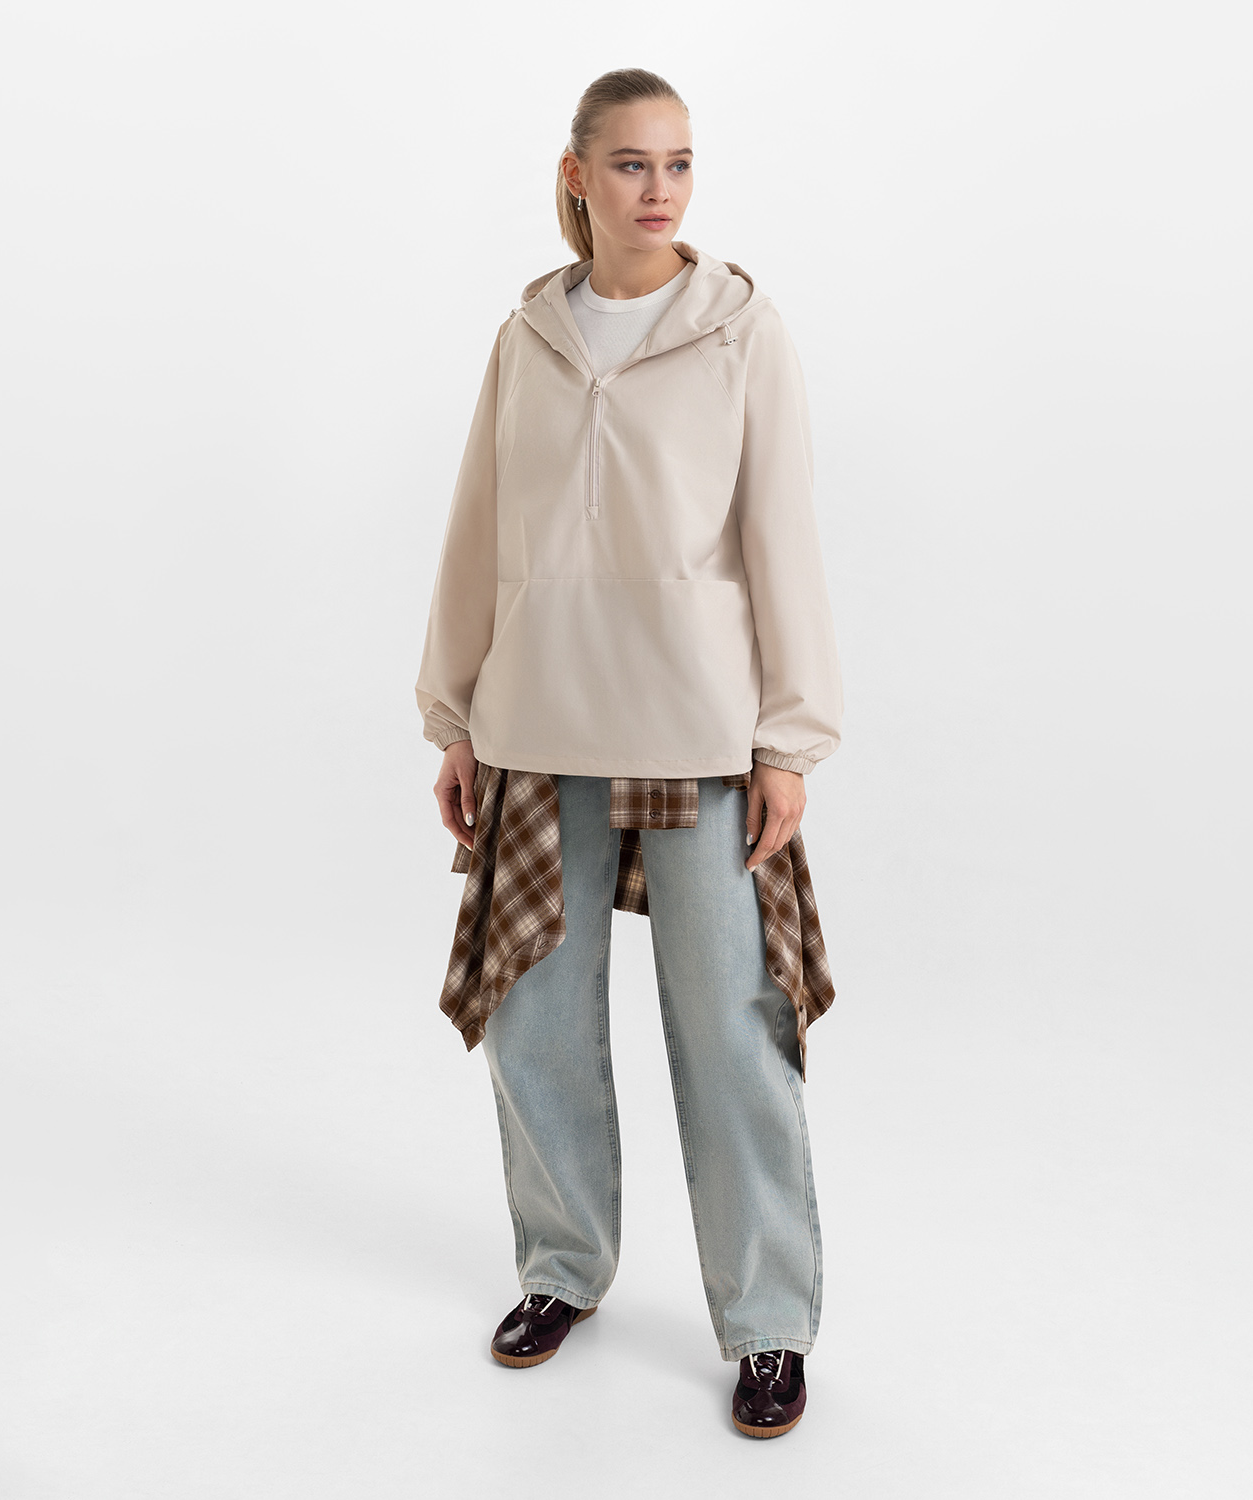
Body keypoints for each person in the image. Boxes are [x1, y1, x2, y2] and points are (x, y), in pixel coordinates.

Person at [415, 67, 843, 1438]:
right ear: (579, 175)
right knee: (536, 1022)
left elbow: (782, 537)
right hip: (537, 721)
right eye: (633, 164)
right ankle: (561, 1267)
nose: (661, 190)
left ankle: (768, 1321)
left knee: (730, 1029)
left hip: (697, 729)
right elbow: (479, 530)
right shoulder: (527, 338)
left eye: (680, 163)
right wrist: (454, 714)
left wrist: (788, 740)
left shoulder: (739, 331)